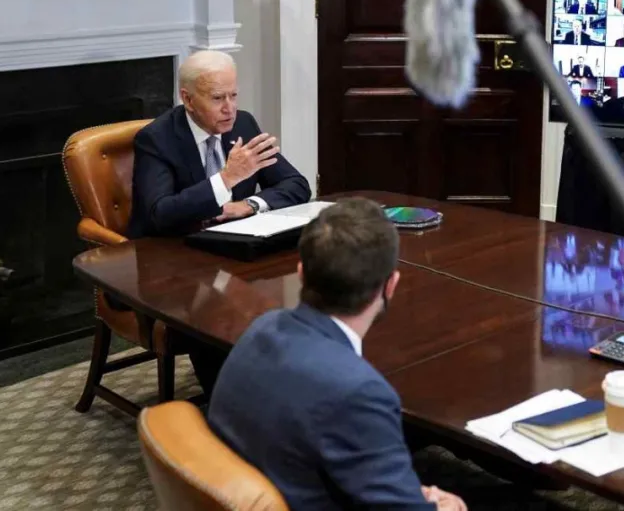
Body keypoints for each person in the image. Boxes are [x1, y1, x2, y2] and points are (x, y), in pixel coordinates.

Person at [208, 198, 468, 510]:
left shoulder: (261, 328)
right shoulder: (359, 392)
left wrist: (405, 494)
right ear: (391, 286)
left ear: (301, 274)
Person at [128, 50, 312, 394]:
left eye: (234, 95)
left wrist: (250, 204)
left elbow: (297, 185)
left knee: (298, 293)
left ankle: (289, 388)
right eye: (217, 98)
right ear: (188, 99)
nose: (230, 108)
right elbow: (159, 214)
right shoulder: (157, 139)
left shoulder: (243, 125)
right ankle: (231, 404)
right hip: (177, 262)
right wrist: (226, 180)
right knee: (218, 313)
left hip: (236, 253)